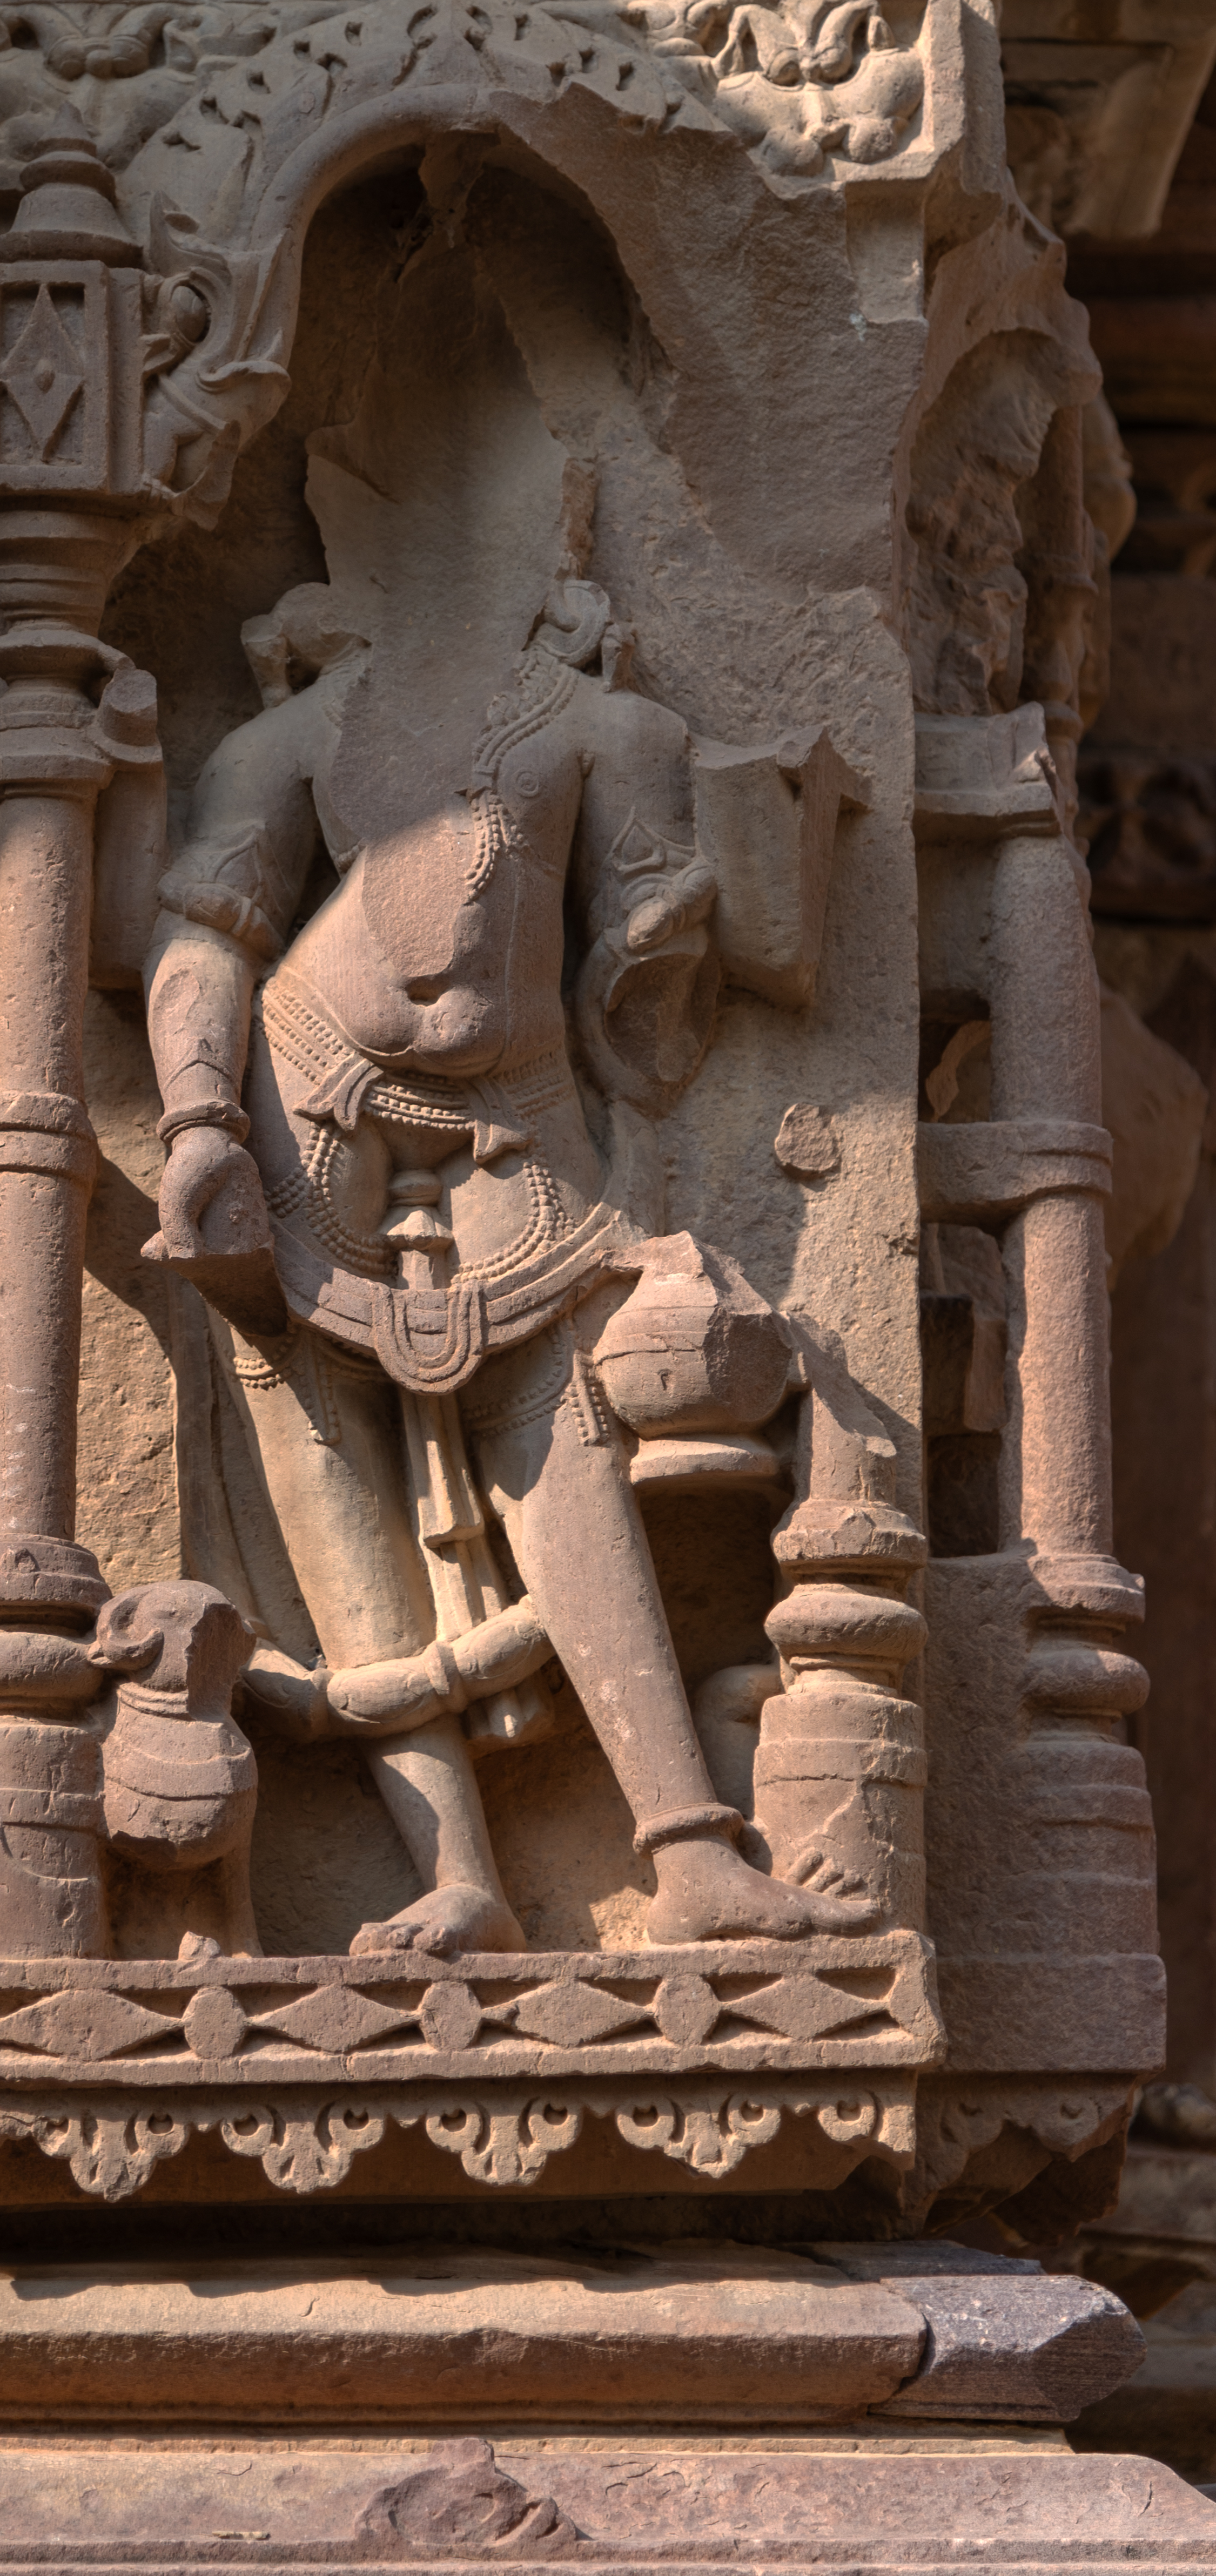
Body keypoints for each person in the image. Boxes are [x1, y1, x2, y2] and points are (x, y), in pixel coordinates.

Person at [143, 576, 868, 1955]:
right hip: (306, 1096)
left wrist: (683, 912)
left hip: (518, 1118)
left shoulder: (610, 729)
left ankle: (690, 1853)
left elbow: (656, 977)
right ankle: (455, 1873)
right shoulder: (290, 743)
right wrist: (195, 1123)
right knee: (326, 1465)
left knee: (569, 1447)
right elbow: (210, 933)